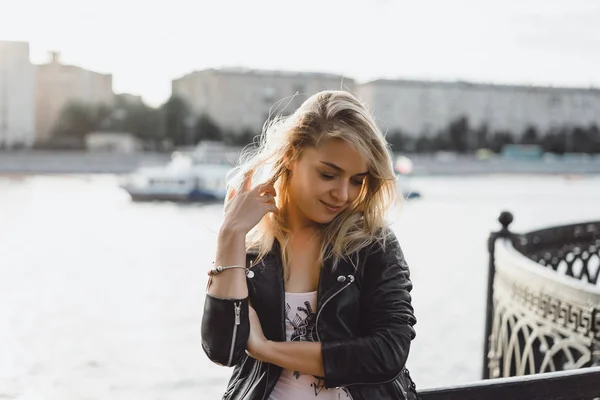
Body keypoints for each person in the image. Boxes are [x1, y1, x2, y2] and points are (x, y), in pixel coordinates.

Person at [201, 90, 418, 400]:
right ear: (291, 155)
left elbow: (388, 352)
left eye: (357, 180)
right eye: (328, 174)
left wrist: (267, 349)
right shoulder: (250, 247)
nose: (343, 194)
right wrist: (230, 235)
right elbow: (224, 349)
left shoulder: (372, 244)